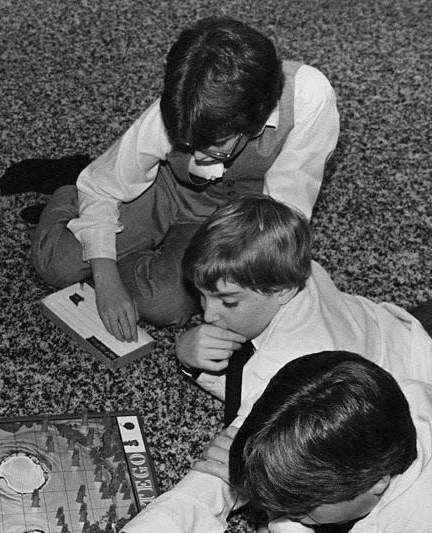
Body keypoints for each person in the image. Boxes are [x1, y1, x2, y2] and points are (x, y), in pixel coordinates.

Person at [63, 194, 432, 533]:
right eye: (202, 298)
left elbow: (219, 475)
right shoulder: (296, 269)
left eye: (227, 302)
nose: (206, 316)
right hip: (405, 334)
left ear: (283, 290)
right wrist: (190, 354)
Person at [21, 17, 339, 343]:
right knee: (57, 266)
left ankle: (124, 242)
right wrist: (106, 282)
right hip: (164, 188)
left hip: (231, 218)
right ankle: (68, 193)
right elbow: (104, 185)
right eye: (187, 144)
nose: (199, 160)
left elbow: (279, 219)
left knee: (164, 306)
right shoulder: (186, 98)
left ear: (255, 118)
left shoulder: (310, 99)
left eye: (213, 147)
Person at [229, 351, 432, 533]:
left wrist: (279, 526)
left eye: (300, 506)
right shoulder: (393, 397)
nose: (289, 511)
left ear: (377, 483)